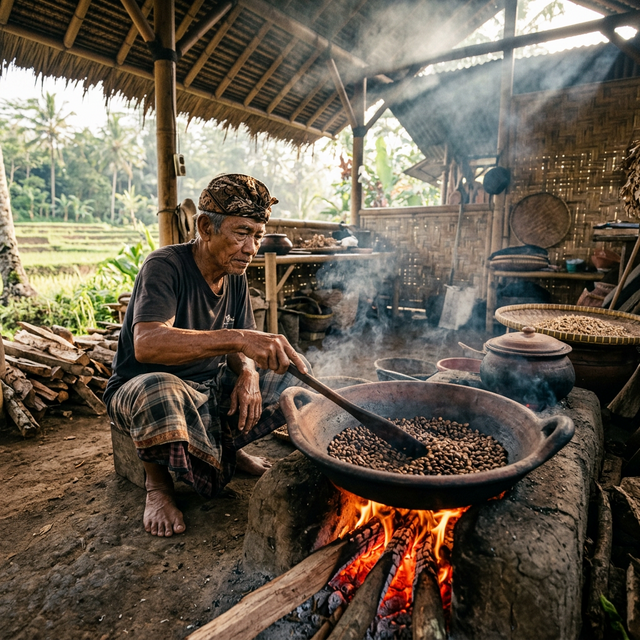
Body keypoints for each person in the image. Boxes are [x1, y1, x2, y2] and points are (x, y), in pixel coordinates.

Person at [104, 174, 309, 537]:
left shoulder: (236, 277)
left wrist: (247, 373)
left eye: (258, 236)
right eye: (242, 233)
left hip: (209, 385)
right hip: (147, 390)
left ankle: (229, 450)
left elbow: (241, 351)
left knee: (292, 372)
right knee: (159, 389)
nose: (251, 248)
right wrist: (241, 339)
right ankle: (158, 486)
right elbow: (148, 343)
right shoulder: (165, 266)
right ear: (205, 227)